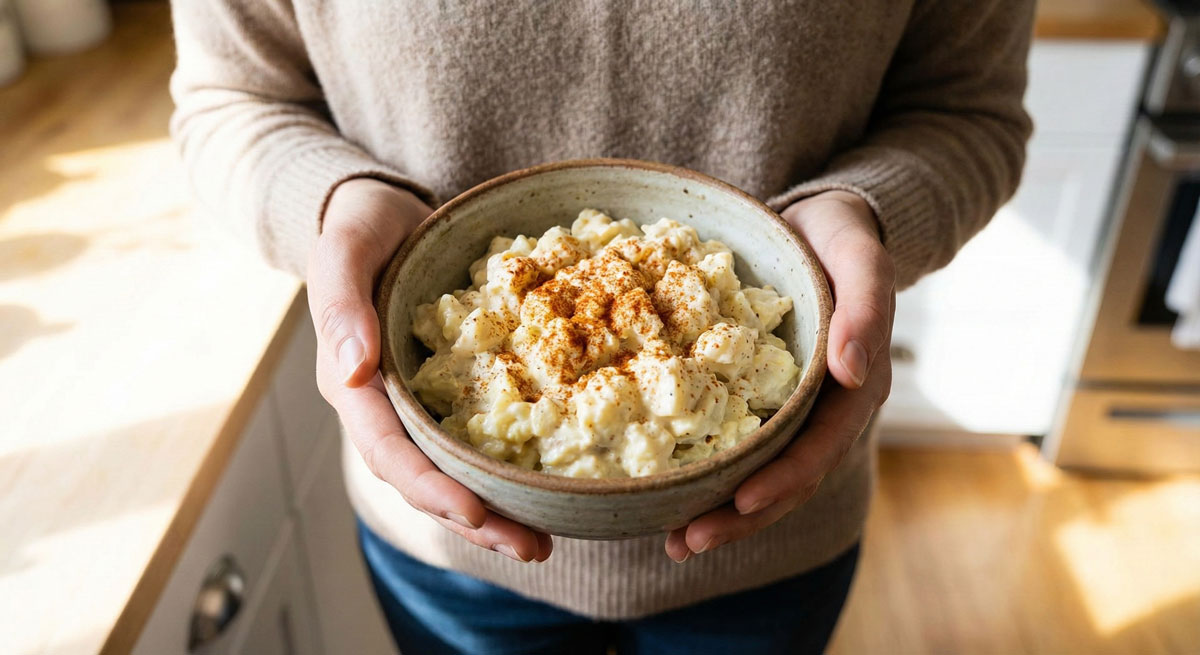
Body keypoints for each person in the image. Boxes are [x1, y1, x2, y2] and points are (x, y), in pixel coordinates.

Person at [169, 2, 1033, 653]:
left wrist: (863, 213)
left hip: (773, 536)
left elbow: (969, 111)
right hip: (450, 539)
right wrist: (340, 206)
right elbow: (228, 99)